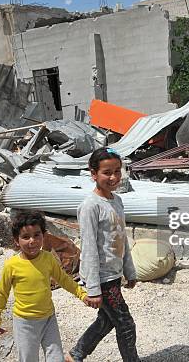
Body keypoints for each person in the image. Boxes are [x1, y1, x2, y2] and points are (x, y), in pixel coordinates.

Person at [0, 210, 93, 362]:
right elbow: (2, 292)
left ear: (44, 236)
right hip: (25, 323)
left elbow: (64, 279)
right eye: (25, 237)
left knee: (56, 358)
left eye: (37, 235)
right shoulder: (12, 265)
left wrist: (82, 294)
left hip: (48, 319)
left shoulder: (48, 258)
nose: (32, 241)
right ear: (16, 240)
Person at [69, 147, 139, 362]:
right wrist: (92, 289)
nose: (113, 177)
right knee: (126, 324)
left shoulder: (117, 201)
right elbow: (88, 247)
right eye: (107, 172)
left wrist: (129, 270)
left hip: (114, 275)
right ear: (93, 174)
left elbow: (122, 239)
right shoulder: (90, 206)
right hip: (102, 278)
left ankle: (76, 354)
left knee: (107, 320)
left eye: (117, 171)